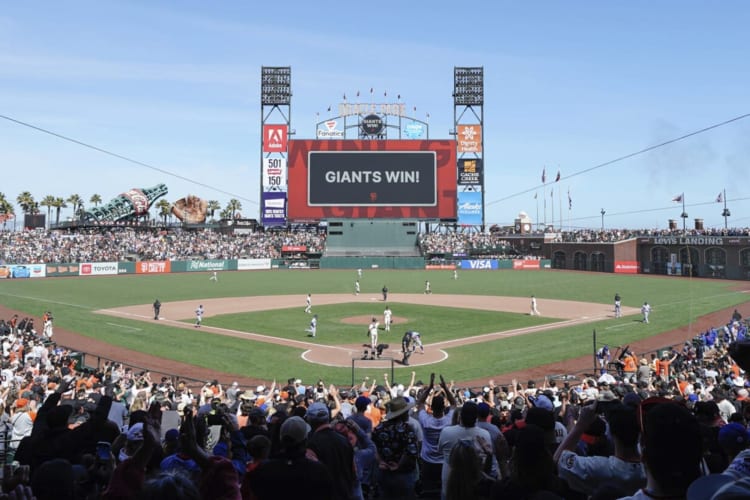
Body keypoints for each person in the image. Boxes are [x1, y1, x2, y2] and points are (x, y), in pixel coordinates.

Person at [372, 396, 419, 499]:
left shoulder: (379, 428)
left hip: (384, 473)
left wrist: (380, 461)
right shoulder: (407, 429)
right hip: (403, 474)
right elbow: (411, 452)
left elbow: (373, 447)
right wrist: (398, 465)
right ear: (402, 414)